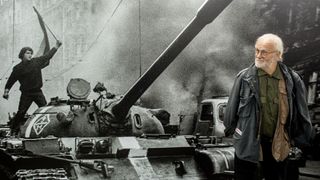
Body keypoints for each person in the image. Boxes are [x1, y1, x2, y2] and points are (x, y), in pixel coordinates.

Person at [224, 33, 313, 180]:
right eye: (257, 50)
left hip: (278, 146)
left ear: (278, 55)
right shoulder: (244, 77)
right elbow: (230, 116)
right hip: (248, 145)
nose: (258, 55)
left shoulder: (292, 79)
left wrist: (298, 142)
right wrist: (240, 135)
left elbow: (302, 115)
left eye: (264, 51)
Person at [2, 40, 62, 134]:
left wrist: (56, 46)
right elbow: (11, 80)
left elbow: (48, 56)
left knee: (45, 111)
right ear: (22, 55)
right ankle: (13, 130)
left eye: (31, 53)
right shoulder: (18, 68)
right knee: (21, 112)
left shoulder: (36, 62)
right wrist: (6, 91)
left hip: (37, 92)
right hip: (26, 94)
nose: (30, 55)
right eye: (27, 53)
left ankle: (49, 131)